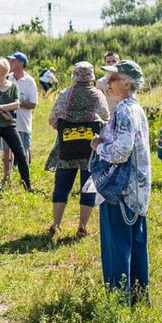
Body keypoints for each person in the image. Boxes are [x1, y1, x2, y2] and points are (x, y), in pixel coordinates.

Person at [90, 59, 151, 303]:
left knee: (117, 246)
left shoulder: (125, 110)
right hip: (137, 188)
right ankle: (138, 297)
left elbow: (121, 152)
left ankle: (118, 301)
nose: (108, 83)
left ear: (127, 83)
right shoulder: (135, 108)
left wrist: (98, 145)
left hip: (120, 189)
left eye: (113, 78)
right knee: (136, 244)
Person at [45, 62, 109, 240]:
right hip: (90, 149)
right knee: (88, 188)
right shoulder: (98, 95)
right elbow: (106, 120)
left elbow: (52, 119)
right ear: (92, 76)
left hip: (67, 148)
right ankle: (82, 227)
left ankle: (56, 225)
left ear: (74, 76)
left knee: (62, 186)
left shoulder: (65, 94)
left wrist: (67, 129)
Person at [0, 57, 33, 193]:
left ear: (3, 70)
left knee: (20, 154)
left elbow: (17, 104)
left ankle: (28, 184)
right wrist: (3, 111)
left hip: (9, 125)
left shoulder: (13, 86)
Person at [1, 52, 38, 185]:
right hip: (7, 121)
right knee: (6, 150)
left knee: (24, 150)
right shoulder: (7, 78)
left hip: (23, 122)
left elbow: (33, 103)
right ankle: (6, 176)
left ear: (21, 63)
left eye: (13, 61)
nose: (10, 63)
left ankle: (25, 178)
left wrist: (17, 102)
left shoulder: (29, 81)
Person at [97, 50, 122, 115]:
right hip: (109, 118)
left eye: (114, 61)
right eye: (108, 62)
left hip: (124, 116)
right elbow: (99, 104)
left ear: (119, 62)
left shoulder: (125, 80)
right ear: (105, 64)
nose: (111, 64)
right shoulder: (100, 82)